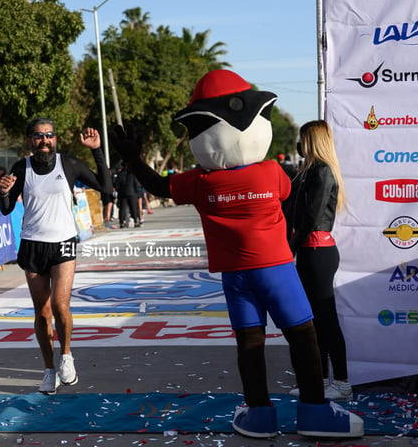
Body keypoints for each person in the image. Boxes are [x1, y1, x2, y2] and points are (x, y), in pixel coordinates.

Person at [112, 69, 362, 438]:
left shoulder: (199, 182)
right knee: (303, 336)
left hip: (236, 276)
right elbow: (285, 199)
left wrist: (132, 157)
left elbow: (157, 185)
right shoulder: (272, 172)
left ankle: (259, 414)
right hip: (276, 268)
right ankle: (314, 412)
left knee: (250, 343)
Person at [0, 118, 112, 395]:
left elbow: (106, 188)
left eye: (49, 135)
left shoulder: (69, 164)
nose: (45, 140)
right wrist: (1, 191)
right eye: (39, 136)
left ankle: (67, 356)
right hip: (33, 245)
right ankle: (49, 371)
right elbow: (5, 208)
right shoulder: (20, 168)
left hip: (62, 243)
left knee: (61, 306)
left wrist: (97, 151)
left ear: (55, 138)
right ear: (29, 141)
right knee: (42, 312)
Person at [282, 121, 351, 400]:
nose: (299, 144)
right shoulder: (308, 171)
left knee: (327, 319)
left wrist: (290, 248)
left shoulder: (322, 172)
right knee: (313, 321)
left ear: (311, 140)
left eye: (302, 139)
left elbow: (311, 218)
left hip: (318, 253)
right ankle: (320, 381)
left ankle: (343, 383)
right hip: (309, 252)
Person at [115, 163, 141, 228]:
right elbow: (136, 184)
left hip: (123, 194)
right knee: (134, 208)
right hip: (132, 193)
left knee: (122, 209)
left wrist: (120, 192)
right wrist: (137, 192)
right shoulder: (132, 174)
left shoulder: (120, 175)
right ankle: (135, 221)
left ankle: (122, 223)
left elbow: (116, 185)